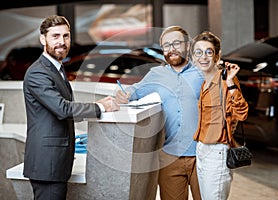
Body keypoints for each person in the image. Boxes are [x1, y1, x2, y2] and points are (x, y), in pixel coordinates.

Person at [22, 15, 120, 200]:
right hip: (47, 164)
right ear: (43, 39)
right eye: (55, 36)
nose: (62, 42)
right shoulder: (38, 72)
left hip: (55, 163)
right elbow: (62, 109)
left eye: (66, 36)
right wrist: (100, 106)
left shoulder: (55, 68)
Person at [116, 25, 204, 200]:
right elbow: (135, 91)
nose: (171, 49)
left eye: (176, 43)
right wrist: (123, 95)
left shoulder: (203, 71)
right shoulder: (156, 74)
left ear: (187, 46)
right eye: (166, 46)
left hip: (203, 155)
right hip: (170, 157)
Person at [191, 31, 249, 200]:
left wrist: (231, 83)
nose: (203, 57)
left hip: (217, 150)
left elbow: (242, 113)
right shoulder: (204, 82)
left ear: (217, 56)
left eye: (209, 52)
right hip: (201, 148)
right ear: (193, 57)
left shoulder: (225, 80)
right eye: (198, 52)